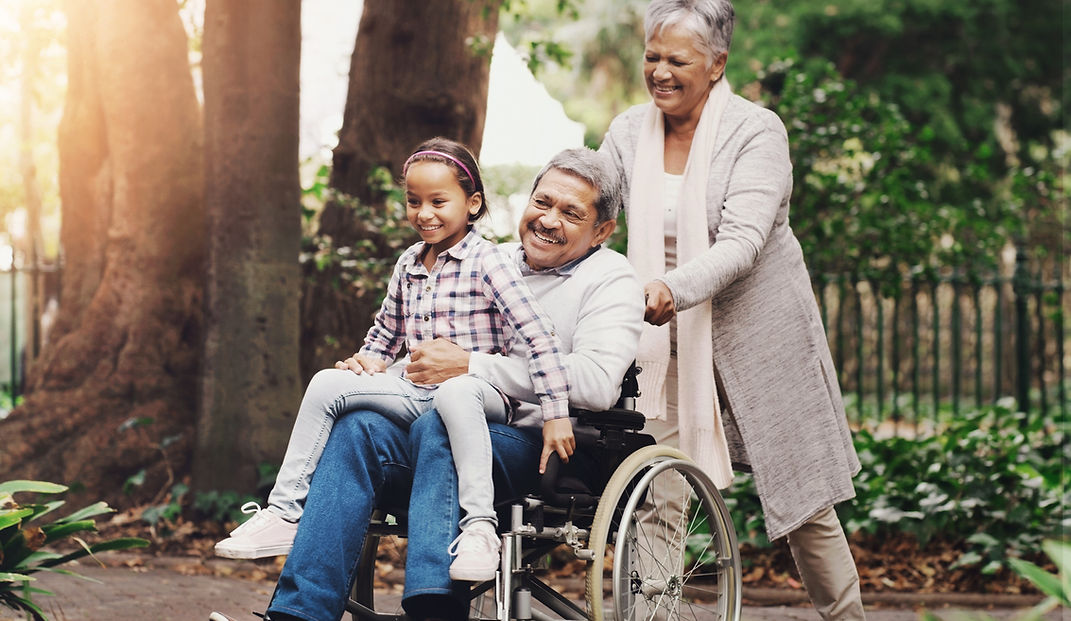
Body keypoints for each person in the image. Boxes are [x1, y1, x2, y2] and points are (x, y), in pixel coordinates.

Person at [216, 148, 644, 621]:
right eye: (542, 203)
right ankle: (300, 613)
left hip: (540, 445)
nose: (547, 220)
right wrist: (372, 370)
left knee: (440, 424)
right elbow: (420, 351)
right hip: (448, 417)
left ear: (601, 230)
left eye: (570, 213)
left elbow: (599, 383)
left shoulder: (611, 278)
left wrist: (471, 366)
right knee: (359, 425)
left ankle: (433, 612)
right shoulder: (484, 258)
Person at [598, 1, 866, 619]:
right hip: (660, 343)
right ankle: (652, 615)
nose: (660, 72)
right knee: (656, 483)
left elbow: (742, 242)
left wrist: (669, 288)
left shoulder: (756, 131)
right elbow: (594, 205)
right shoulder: (628, 131)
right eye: (652, 57)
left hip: (758, 335)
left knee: (805, 501)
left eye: (677, 60)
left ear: (717, 64)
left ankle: (846, 616)